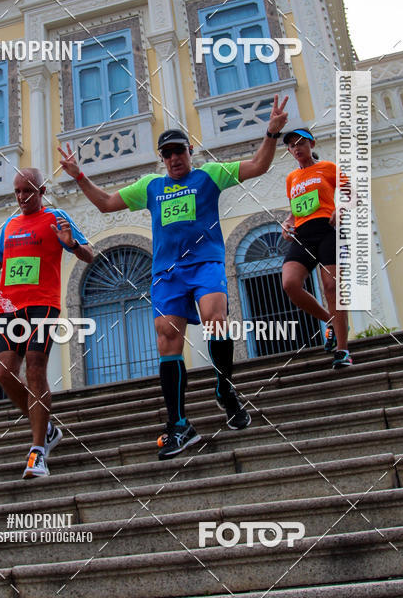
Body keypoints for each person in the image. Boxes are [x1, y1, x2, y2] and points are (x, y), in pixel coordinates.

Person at [58, 94, 289, 460]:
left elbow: (259, 165)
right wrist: (79, 176)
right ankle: (179, 425)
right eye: (167, 154)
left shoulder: (209, 175)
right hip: (167, 273)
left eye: (179, 151)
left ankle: (224, 386)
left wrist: (272, 132)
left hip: (205, 263)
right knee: (167, 339)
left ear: (189, 151)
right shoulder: (150, 186)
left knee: (215, 316)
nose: (174, 158)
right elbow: (105, 203)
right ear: (161, 158)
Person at [0, 167, 94, 479]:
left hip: (42, 305)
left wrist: (71, 244)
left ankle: (38, 450)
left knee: (35, 368)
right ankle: (48, 429)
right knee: (2, 373)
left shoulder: (56, 217)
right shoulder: (11, 224)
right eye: (17, 191)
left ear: (41, 191)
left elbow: (90, 255)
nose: (21, 197)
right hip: (8, 307)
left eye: (27, 191)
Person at [280, 128, 351, 368]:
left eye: (301, 143)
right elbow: (294, 209)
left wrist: (341, 209)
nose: (296, 148)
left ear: (311, 144)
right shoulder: (291, 178)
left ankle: (343, 351)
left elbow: (352, 195)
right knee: (290, 284)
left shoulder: (328, 168)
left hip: (328, 231)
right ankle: (331, 321)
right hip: (303, 235)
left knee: (331, 286)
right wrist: (287, 223)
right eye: (292, 145)